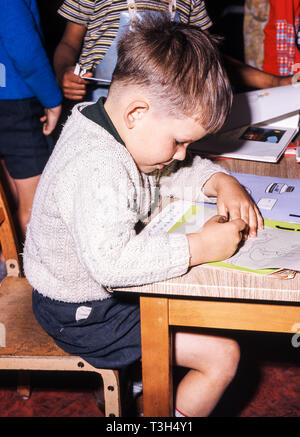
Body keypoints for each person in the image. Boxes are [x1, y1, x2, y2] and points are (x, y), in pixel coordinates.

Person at [24, 15, 263, 417]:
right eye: (180, 141)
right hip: (81, 312)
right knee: (223, 355)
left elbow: (168, 173)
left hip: (89, 296)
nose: (182, 154)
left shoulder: (110, 120)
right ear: (136, 113)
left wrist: (220, 180)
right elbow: (113, 265)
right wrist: (199, 247)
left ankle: (132, 381)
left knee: (199, 311)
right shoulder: (99, 165)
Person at [53, 0, 295, 103]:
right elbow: (68, 44)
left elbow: (210, 58)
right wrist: (63, 70)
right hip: (100, 105)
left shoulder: (189, 2)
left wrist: (275, 81)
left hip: (165, 108)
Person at [0, 0, 62, 239]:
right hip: (14, 101)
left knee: (8, 197)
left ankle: (9, 262)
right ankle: (31, 273)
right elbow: (24, 49)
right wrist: (52, 99)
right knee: (36, 208)